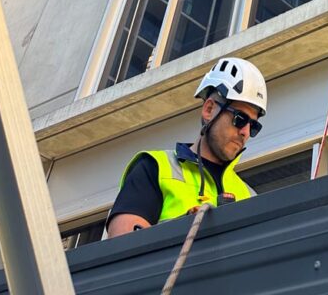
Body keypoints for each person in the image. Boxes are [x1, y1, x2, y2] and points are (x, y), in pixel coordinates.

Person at [106, 57, 267, 236]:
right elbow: (123, 243)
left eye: (253, 126)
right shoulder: (155, 168)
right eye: (240, 119)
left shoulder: (249, 196)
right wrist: (184, 227)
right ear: (209, 109)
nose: (245, 132)